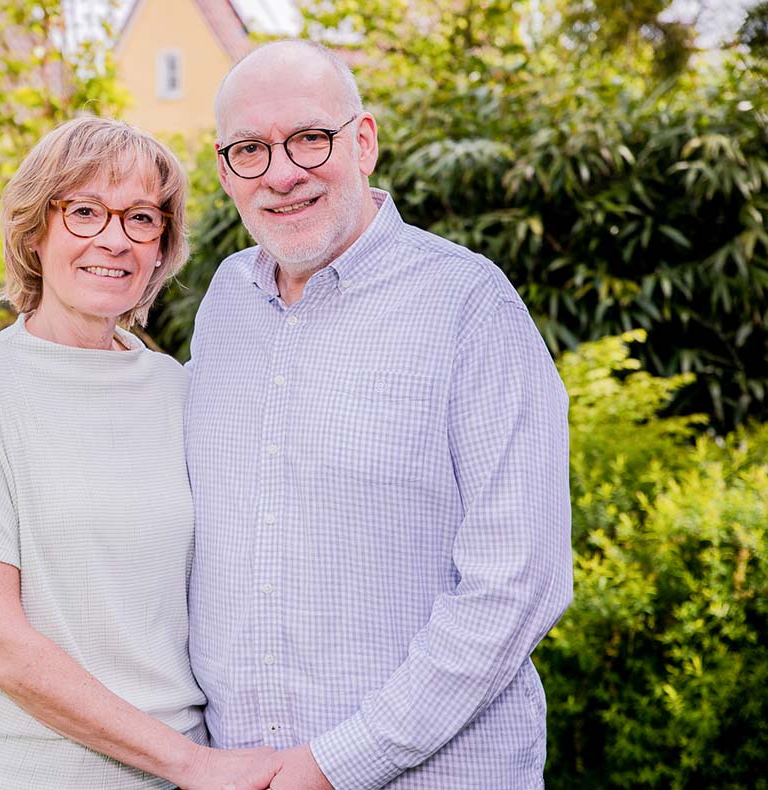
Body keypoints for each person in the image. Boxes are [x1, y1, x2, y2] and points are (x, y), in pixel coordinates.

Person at [185, 40, 574, 789]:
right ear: (224, 167)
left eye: (309, 137)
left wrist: (336, 764)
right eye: (249, 150)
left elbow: (519, 581)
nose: (281, 173)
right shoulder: (225, 303)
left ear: (362, 142)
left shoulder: (470, 306)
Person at [0, 117, 272, 790]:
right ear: (36, 229)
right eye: (86, 211)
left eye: (141, 219)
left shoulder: (176, 387)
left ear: (162, 246)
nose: (115, 239)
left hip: (183, 773)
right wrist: (192, 765)